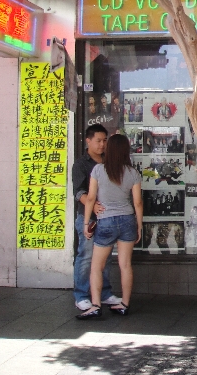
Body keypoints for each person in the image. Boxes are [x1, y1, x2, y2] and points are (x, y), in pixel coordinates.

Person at [77, 134, 143, 319]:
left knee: (97, 266)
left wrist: (86, 223)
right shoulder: (132, 173)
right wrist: (139, 226)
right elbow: (137, 203)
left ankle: (96, 305)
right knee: (125, 265)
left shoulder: (98, 170)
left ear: (110, 149)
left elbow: (90, 198)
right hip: (128, 219)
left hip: (105, 221)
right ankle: (124, 304)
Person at [71, 124, 120, 311]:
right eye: (98, 141)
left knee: (105, 257)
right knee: (86, 255)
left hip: (108, 217)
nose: (102, 145)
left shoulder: (108, 161)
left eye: (104, 140)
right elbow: (78, 192)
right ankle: (81, 295)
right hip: (89, 217)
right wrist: (92, 204)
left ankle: (104, 292)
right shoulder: (81, 164)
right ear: (88, 141)